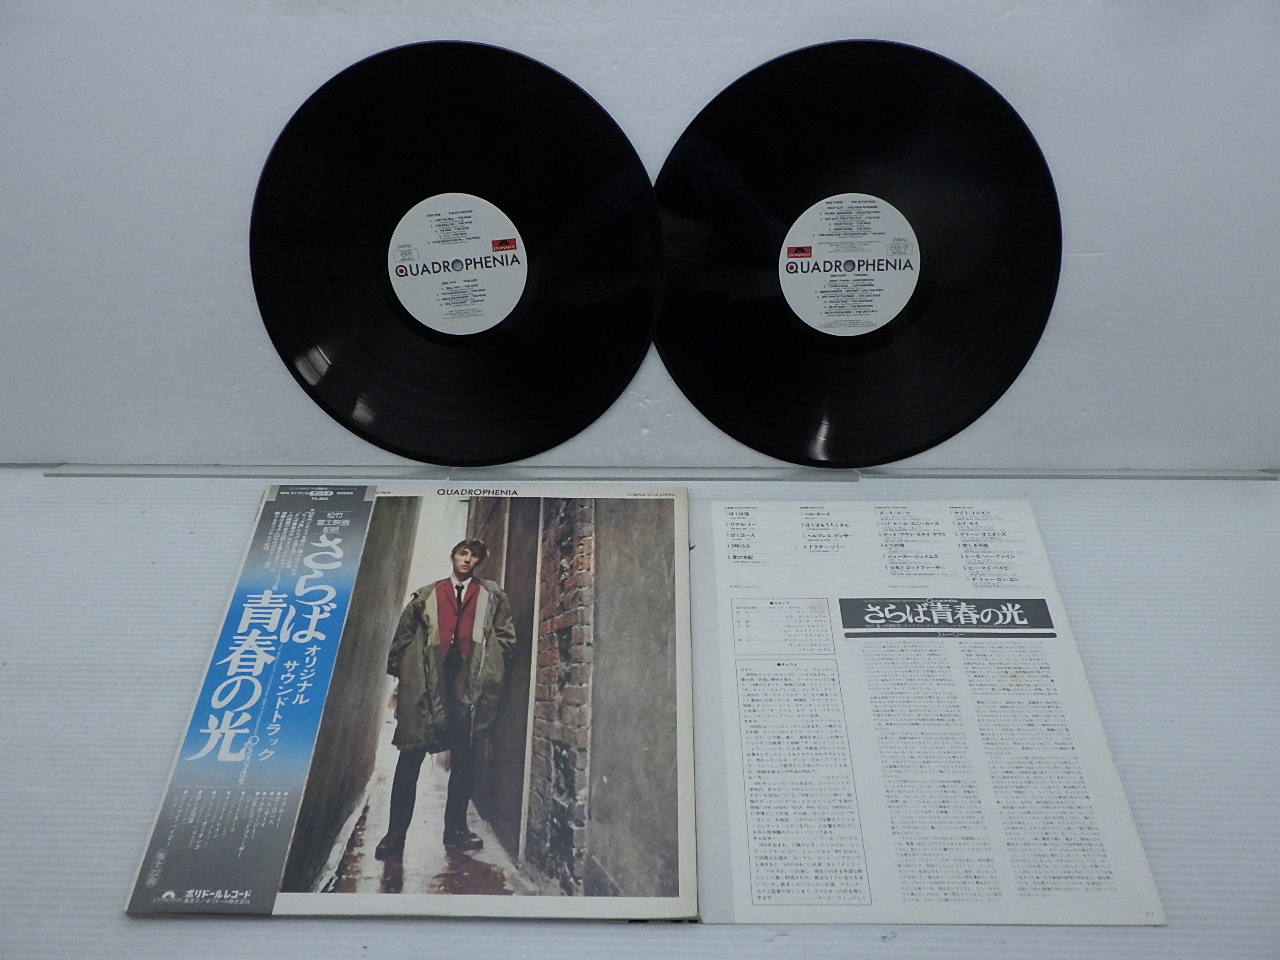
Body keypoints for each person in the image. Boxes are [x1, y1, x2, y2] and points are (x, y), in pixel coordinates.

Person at [375, 538, 516, 858]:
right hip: (426, 687)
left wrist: (492, 671)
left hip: (468, 688)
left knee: (464, 760)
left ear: (479, 561)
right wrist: (407, 678)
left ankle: (455, 831)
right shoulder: (426, 595)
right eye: (462, 554)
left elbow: (506, 638)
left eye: (474, 556)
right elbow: (402, 641)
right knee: (410, 757)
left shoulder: (491, 595)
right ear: (452, 557)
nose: (467, 559)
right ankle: (395, 835)